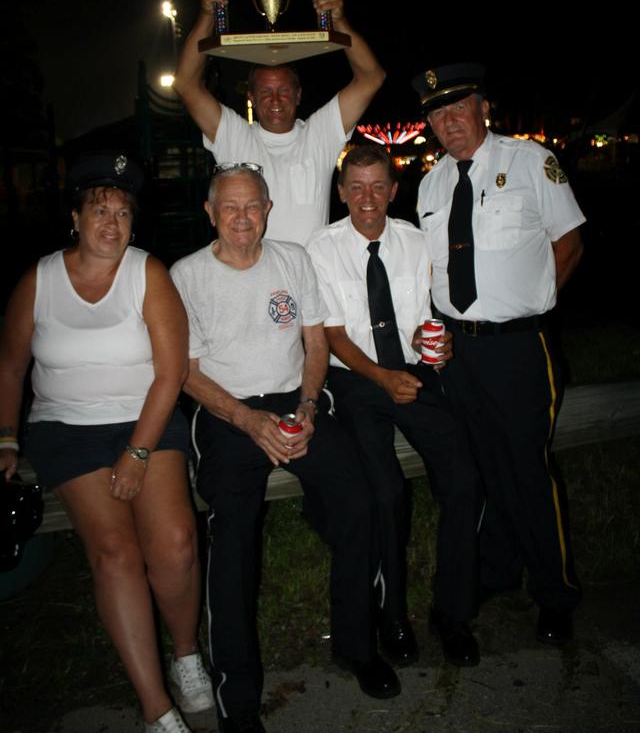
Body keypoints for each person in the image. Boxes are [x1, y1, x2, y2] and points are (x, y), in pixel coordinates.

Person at [170, 164, 400, 733]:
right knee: (233, 538)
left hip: (295, 405)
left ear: (268, 209)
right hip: (226, 411)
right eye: (230, 207)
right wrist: (248, 420)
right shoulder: (187, 275)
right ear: (210, 212)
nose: (243, 218)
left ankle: (355, 643)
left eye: (253, 206)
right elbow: (187, 373)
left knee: (359, 503)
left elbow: (315, 340)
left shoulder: (292, 258)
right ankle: (238, 699)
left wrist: (307, 402)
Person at [0, 153, 213, 733]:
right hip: (65, 430)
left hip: (146, 417)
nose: (112, 221)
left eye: (123, 212)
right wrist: (7, 437)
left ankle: (187, 655)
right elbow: (10, 367)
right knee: (115, 554)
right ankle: (155, 707)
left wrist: (138, 451)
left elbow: (170, 375)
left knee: (174, 543)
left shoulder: (148, 274)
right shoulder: (38, 280)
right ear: (75, 217)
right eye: (100, 209)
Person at [415, 63, 585, 646]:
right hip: (459, 353)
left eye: (458, 106)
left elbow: (569, 243)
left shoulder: (531, 162)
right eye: (437, 112)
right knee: (483, 471)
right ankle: (497, 571)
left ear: (483, 106)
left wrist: (533, 305)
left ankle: (555, 593)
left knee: (528, 471)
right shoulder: (431, 182)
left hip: (518, 349)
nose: (448, 120)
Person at [306, 144, 482, 669]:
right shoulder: (320, 249)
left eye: (377, 186)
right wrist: (382, 378)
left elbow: (428, 315)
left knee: (465, 480)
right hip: (357, 379)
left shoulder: (415, 240)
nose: (367, 198)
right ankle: (392, 616)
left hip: (414, 373)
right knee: (385, 493)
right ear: (341, 193)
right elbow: (333, 335)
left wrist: (441, 344)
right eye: (356, 187)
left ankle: (452, 612)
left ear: (393, 189)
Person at [173, 0, 385, 244]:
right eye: (265, 92)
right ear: (250, 97)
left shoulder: (319, 133)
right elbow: (185, 84)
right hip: (250, 274)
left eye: (284, 91)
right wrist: (206, 15)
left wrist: (339, 20)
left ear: (298, 95)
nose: (275, 101)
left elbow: (372, 77)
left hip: (310, 279)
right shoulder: (234, 135)